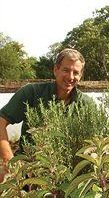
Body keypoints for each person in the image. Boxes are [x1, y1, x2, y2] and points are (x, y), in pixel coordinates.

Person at [0, 48, 92, 181]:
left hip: (66, 172)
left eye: (76, 72)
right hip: (28, 166)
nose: (71, 77)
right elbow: (1, 121)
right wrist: (9, 159)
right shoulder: (32, 92)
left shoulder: (86, 104)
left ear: (81, 76)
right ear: (56, 70)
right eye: (66, 70)